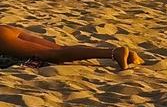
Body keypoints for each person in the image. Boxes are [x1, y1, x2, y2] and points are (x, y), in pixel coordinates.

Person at [0, 24, 141, 71]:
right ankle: (125, 54)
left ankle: (114, 53)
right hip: (6, 30)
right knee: (60, 49)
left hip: (3, 38)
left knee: (55, 55)